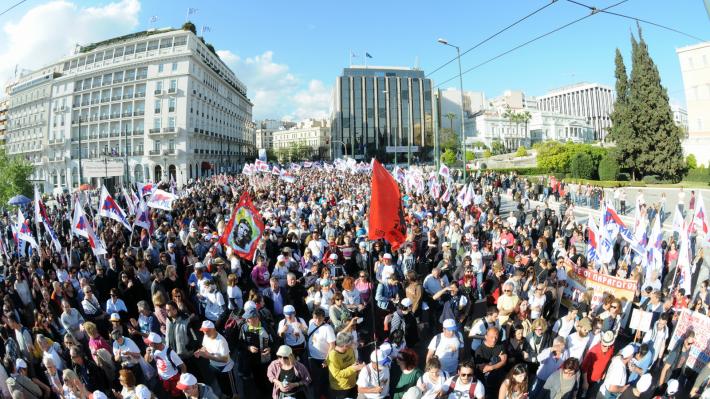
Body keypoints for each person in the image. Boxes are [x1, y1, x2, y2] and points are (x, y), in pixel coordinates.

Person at [143, 332, 186, 398]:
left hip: (173, 380)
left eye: (150, 343)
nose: (149, 345)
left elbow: (183, 366)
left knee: (177, 397)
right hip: (162, 380)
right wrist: (147, 353)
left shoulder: (170, 353)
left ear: (156, 344)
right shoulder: (153, 350)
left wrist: (182, 380)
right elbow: (147, 361)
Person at [306, 308, 335, 399]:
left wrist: (327, 359)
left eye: (320, 318)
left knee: (324, 381)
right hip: (312, 358)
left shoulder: (328, 328)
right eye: (315, 318)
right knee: (316, 380)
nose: (317, 320)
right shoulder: (311, 324)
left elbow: (332, 345)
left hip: (323, 359)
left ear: (323, 318)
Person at [326, 332, 363, 399]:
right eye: (351, 343)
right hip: (341, 388)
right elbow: (337, 374)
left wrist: (358, 367)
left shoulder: (350, 350)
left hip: (353, 384)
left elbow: (353, 363)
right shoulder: (332, 356)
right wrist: (353, 368)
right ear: (345, 345)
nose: (353, 344)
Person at [580, 331, 616, 399]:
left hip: (598, 379)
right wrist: (585, 382)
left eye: (609, 345)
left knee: (591, 395)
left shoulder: (611, 348)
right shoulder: (593, 351)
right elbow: (584, 368)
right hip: (588, 379)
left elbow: (608, 360)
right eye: (605, 345)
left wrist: (604, 371)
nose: (607, 348)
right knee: (582, 395)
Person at [473, 327, 507, 398]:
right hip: (486, 383)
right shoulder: (479, 350)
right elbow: (483, 369)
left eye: (496, 337)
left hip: (499, 381)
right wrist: (497, 360)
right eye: (491, 337)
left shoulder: (500, 345)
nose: (494, 339)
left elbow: (504, 361)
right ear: (486, 336)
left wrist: (490, 366)